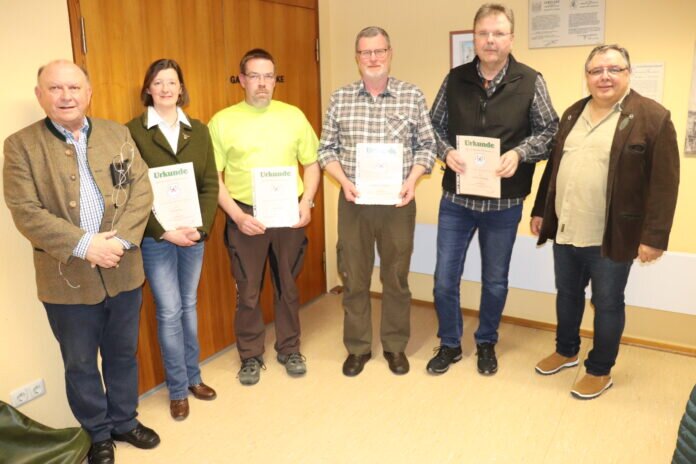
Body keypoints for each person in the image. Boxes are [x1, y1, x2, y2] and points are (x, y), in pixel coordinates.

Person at [3, 60, 158, 464]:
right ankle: (98, 434)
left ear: (88, 93)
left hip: (124, 270)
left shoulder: (117, 133)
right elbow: (26, 212)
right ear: (40, 95)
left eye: (74, 88)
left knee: (123, 353)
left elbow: (141, 189)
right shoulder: (20, 146)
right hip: (66, 279)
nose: (66, 96)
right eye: (55, 88)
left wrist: (119, 242)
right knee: (81, 363)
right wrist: (85, 245)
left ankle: (125, 421)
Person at [531, 44, 680, 399]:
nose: (605, 77)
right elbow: (554, 168)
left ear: (628, 74)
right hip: (567, 228)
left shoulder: (652, 116)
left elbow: (665, 184)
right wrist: (540, 210)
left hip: (612, 236)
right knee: (567, 295)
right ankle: (566, 351)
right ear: (587, 76)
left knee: (608, 303)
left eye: (614, 69)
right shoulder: (573, 113)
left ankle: (599, 370)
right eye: (596, 70)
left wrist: (654, 237)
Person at [428, 3, 558, 376]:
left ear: (511, 38)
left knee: (495, 281)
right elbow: (432, 126)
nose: (490, 40)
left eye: (498, 33)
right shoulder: (455, 79)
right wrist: (446, 151)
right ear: (474, 37)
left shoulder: (530, 81)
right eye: (483, 33)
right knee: (443, 280)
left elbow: (550, 131)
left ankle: (486, 341)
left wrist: (520, 153)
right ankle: (450, 343)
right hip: (456, 200)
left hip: (504, 203)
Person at [318, 26, 437, 377]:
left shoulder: (411, 95)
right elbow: (325, 150)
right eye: (366, 52)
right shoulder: (340, 98)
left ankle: (395, 345)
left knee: (395, 277)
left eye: (379, 51)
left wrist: (412, 180)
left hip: (398, 203)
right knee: (354, 276)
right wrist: (343, 181)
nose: (373, 58)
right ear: (357, 57)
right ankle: (358, 347)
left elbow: (427, 146)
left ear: (390, 53)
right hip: (354, 202)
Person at [210, 48, 320, 386]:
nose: (262, 83)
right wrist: (236, 216)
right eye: (254, 76)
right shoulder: (223, 121)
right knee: (248, 290)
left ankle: (290, 349)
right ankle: (250, 355)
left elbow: (312, 164)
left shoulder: (293, 116)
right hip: (245, 214)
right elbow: (213, 177)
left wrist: (307, 203)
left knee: (288, 285)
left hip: (288, 212)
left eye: (268, 76)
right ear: (242, 80)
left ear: (275, 80)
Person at [127, 59, 219, 421]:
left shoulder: (199, 130)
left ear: (181, 88)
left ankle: (194, 377)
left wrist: (202, 228)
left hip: (193, 235)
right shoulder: (132, 132)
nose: (165, 88)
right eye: (158, 82)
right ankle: (178, 389)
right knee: (169, 311)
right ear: (148, 89)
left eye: (172, 82)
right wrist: (161, 230)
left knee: (189, 306)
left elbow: (209, 184)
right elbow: (132, 192)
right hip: (157, 238)